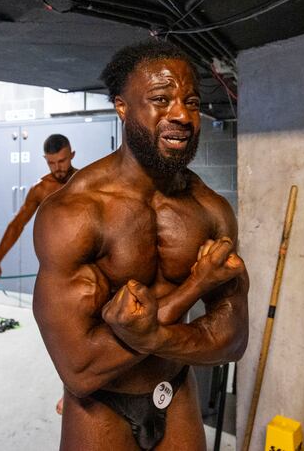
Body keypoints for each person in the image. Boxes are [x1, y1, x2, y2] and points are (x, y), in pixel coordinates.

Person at [32, 40, 249, 450]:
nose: (182, 115)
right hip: (102, 403)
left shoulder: (211, 210)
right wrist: (195, 287)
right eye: (161, 100)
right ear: (122, 107)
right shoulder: (75, 213)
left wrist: (154, 338)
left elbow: (234, 339)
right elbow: (80, 369)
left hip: (175, 387)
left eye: (191, 102)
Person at [0, 134, 76, 285]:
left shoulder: (86, 182)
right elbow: (16, 225)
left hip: (85, 258)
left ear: (72, 155)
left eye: (62, 161)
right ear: (45, 159)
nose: (57, 168)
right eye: (51, 163)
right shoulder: (40, 189)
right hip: (54, 261)